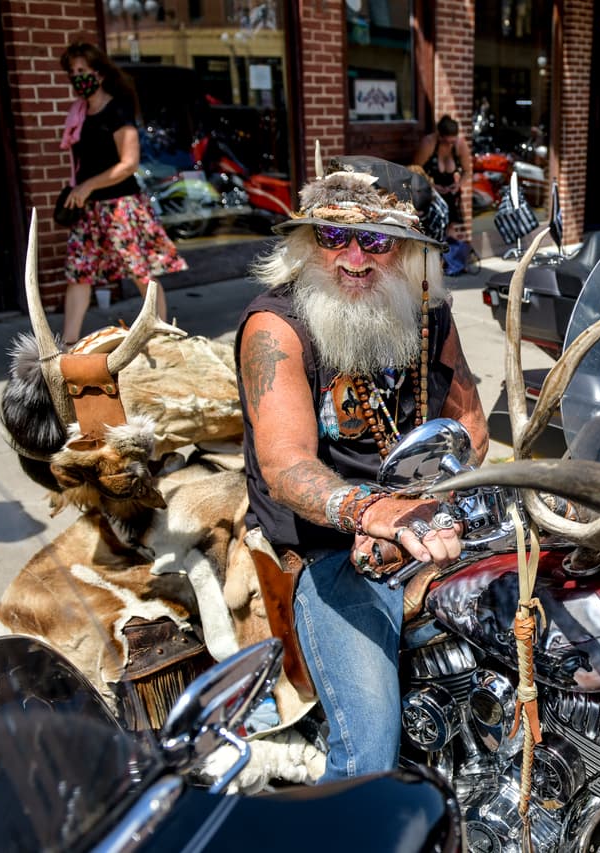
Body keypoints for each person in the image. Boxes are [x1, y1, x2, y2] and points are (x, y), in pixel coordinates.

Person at [235, 155, 488, 781]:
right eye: (331, 236)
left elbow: (473, 427)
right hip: (328, 548)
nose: (353, 258)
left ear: (411, 254)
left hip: (431, 518)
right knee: (369, 757)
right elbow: (286, 465)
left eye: (377, 240)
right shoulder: (277, 326)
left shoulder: (428, 313)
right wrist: (375, 513)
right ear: (305, 242)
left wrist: (437, 504)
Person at [58, 41, 183, 346]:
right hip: (89, 208)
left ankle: (159, 333)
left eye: (82, 71)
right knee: (79, 274)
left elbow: (128, 163)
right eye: (72, 72)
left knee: (140, 272)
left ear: (99, 74)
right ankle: (68, 344)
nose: (77, 77)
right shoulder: (79, 115)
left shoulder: (117, 111)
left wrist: (88, 185)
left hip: (120, 207)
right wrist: (80, 189)